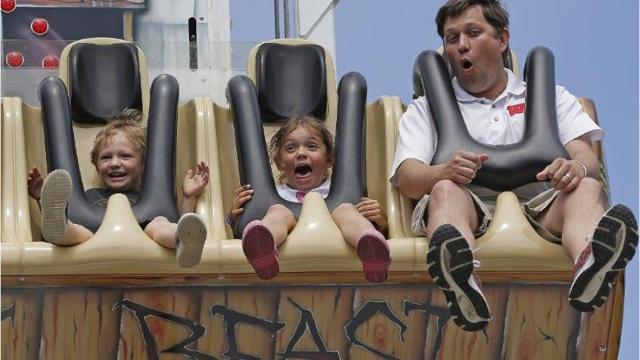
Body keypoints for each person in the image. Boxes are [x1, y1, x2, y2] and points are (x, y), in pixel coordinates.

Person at [390, 0, 638, 331]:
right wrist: (442, 171)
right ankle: (462, 280)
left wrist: (575, 167)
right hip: (472, 206)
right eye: (452, 38)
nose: (462, 44)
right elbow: (407, 177)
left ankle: (591, 264)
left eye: (473, 32)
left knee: (588, 187)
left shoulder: (547, 95)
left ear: (502, 39)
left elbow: (586, 157)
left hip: (542, 205)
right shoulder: (427, 108)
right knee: (445, 192)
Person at [27, 109, 210, 268]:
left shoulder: (149, 199)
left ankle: (183, 239)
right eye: (106, 158)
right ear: (96, 166)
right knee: (77, 229)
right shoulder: (88, 198)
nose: (115, 163)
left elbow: (176, 218)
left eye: (125, 156)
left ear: (144, 164)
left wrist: (189, 197)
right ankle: (60, 226)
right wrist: (42, 200)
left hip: (141, 238)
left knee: (160, 222)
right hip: (94, 240)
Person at [228, 115, 391, 282]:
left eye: (311, 146)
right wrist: (234, 218)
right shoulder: (274, 195)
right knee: (277, 211)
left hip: (334, 245)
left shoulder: (341, 191)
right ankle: (262, 249)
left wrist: (382, 222)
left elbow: (386, 230)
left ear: (329, 159)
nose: (301, 153)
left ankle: (370, 247)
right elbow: (231, 235)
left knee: (346, 209)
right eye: (291, 148)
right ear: (279, 163)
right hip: (289, 246)